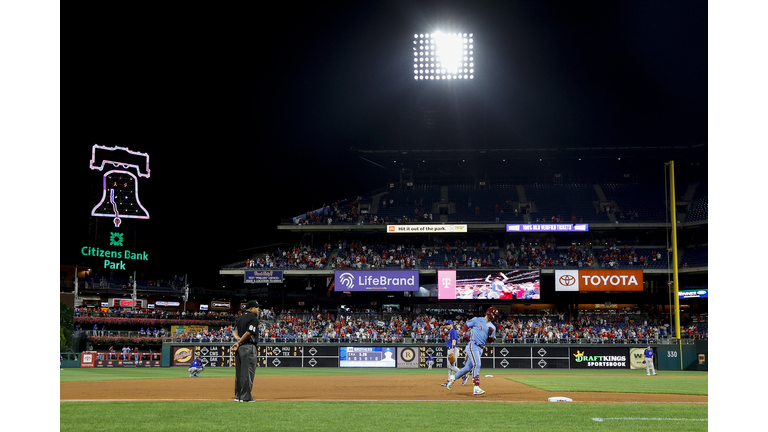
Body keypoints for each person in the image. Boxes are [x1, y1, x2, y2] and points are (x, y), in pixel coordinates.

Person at [447, 307, 498, 395]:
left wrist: (490, 336)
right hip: (473, 344)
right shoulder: (477, 320)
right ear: (488, 313)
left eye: (495, 315)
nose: (494, 316)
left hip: (481, 348)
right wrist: (464, 333)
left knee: (467, 368)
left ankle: (453, 377)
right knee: (477, 364)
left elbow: (491, 340)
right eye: (493, 314)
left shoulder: (492, 326)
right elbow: (467, 325)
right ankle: (476, 387)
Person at [232, 300, 261, 402]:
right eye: (257, 308)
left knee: (239, 373)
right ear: (251, 308)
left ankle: (238, 396)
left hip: (240, 349)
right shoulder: (253, 318)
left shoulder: (239, 318)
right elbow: (249, 333)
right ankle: (245, 397)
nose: (258, 310)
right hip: (248, 347)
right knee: (248, 373)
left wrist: (238, 341)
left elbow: (234, 332)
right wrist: (240, 342)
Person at [441, 320, 462, 386]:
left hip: (453, 349)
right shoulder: (449, 332)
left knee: (451, 366)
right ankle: (449, 381)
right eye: (446, 324)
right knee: (450, 367)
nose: (447, 326)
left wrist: (452, 352)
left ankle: (463, 375)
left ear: (451, 325)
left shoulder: (453, 331)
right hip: (450, 349)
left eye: (448, 324)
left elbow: (454, 341)